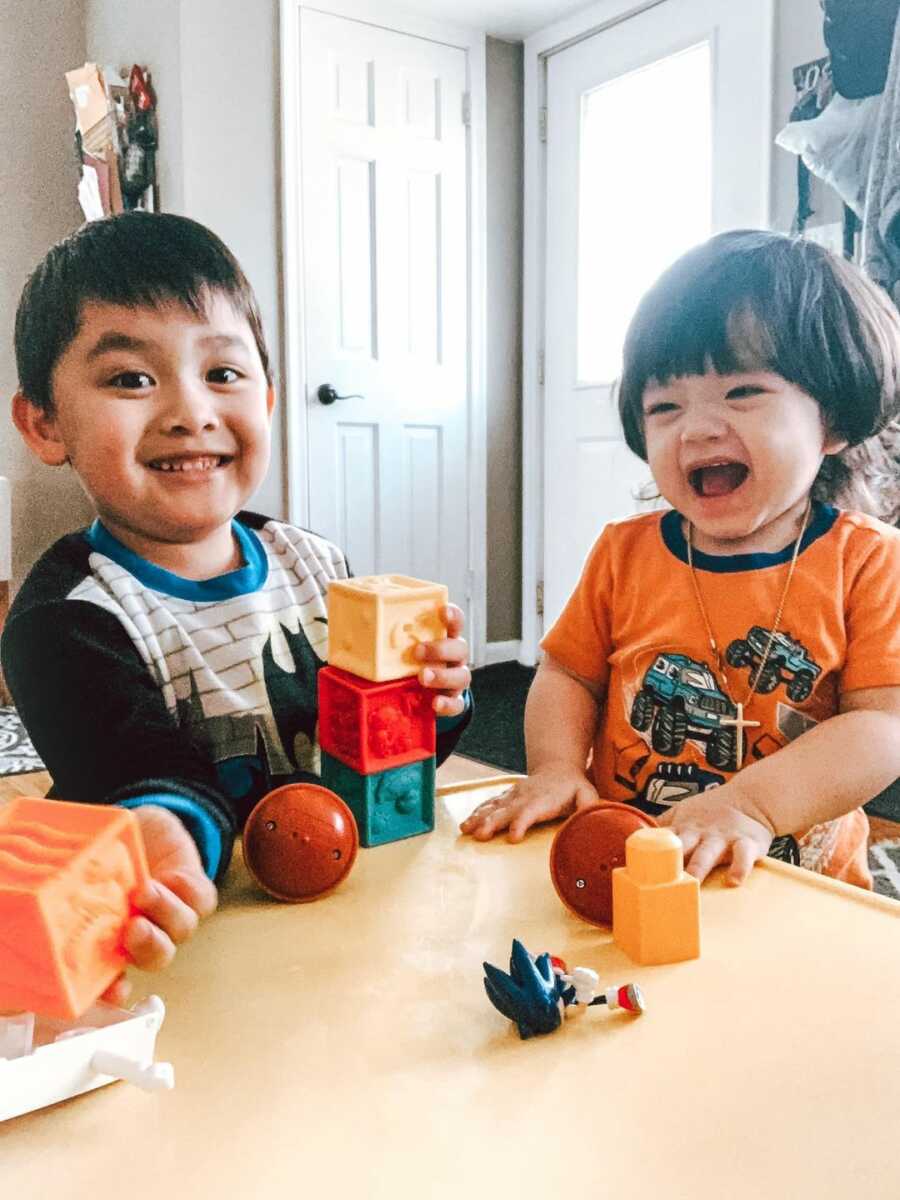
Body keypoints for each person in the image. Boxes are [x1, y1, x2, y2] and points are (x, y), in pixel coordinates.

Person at [4, 212, 471, 997]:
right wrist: (165, 834)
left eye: (223, 373)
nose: (192, 411)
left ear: (270, 396)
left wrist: (436, 701)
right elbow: (138, 772)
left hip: (353, 920)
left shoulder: (313, 563)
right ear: (45, 423)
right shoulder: (64, 621)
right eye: (130, 378)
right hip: (201, 942)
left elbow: (380, 755)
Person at [462, 230, 900, 889]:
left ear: (833, 419)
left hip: (789, 880)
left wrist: (751, 805)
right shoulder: (626, 551)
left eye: (743, 392)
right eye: (664, 406)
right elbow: (567, 675)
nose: (695, 427)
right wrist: (555, 768)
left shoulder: (866, 562)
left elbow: (882, 722)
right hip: (631, 859)